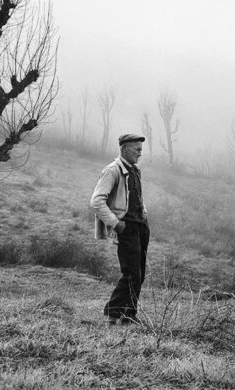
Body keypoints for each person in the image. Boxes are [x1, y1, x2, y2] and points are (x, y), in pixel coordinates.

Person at [90, 133, 150, 325]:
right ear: (124, 148)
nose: (140, 153)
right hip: (127, 228)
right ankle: (113, 313)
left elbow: (136, 198)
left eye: (141, 149)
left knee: (138, 273)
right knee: (131, 273)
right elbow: (97, 201)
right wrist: (116, 224)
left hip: (140, 227)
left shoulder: (134, 170)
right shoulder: (112, 170)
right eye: (136, 149)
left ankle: (128, 315)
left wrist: (144, 215)